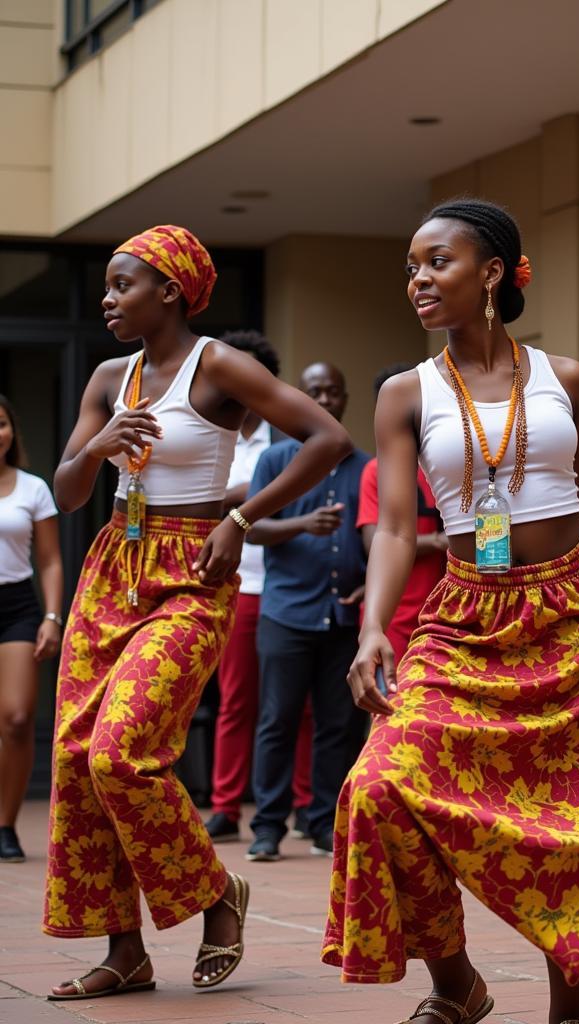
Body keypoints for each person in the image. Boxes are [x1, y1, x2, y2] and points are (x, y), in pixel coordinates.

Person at [322, 198, 579, 1024]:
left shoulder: (566, 376)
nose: (418, 280)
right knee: (377, 786)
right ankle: (455, 982)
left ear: (492, 274)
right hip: (467, 615)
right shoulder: (406, 392)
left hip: (573, 611)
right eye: (411, 266)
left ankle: (570, 1007)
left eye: (436, 262)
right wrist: (375, 627)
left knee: (578, 814)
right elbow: (401, 525)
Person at [44, 225, 349, 1000]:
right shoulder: (111, 377)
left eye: (123, 285)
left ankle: (216, 892)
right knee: (80, 762)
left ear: (171, 291)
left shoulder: (218, 365)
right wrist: (98, 443)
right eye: (108, 287)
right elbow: (69, 491)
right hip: (113, 564)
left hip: (191, 570)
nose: (109, 300)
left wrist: (241, 521)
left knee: (120, 751)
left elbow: (327, 438)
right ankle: (126, 951)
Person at [245, 362, 369, 863]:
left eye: (333, 391)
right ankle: (268, 827)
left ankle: (323, 824)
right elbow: (250, 527)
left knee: (338, 725)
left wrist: (369, 585)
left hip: (341, 615)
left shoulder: (366, 466)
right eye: (314, 390)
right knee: (277, 720)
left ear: (344, 398)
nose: (324, 398)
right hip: (287, 613)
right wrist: (301, 524)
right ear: (301, 396)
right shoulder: (277, 460)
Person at [204, 330, 314, 844]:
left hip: (287, 584)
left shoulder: (282, 440)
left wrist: (231, 499)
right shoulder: (210, 430)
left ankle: (304, 802)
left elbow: (293, 486)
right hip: (237, 584)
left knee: (297, 704)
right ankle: (226, 805)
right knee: (237, 699)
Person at [0, 395, 63, 863]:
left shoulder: (33, 488)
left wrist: (52, 616)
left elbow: (50, 560)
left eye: (1, 423)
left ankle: (6, 825)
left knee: (19, 719)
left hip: (17, 606)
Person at [357, 363, 447, 664]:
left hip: (449, 611)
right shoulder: (376, 471)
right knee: (391, 706)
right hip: (395, 614)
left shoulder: (454, 463)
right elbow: (374, 542)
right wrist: (438, 541)